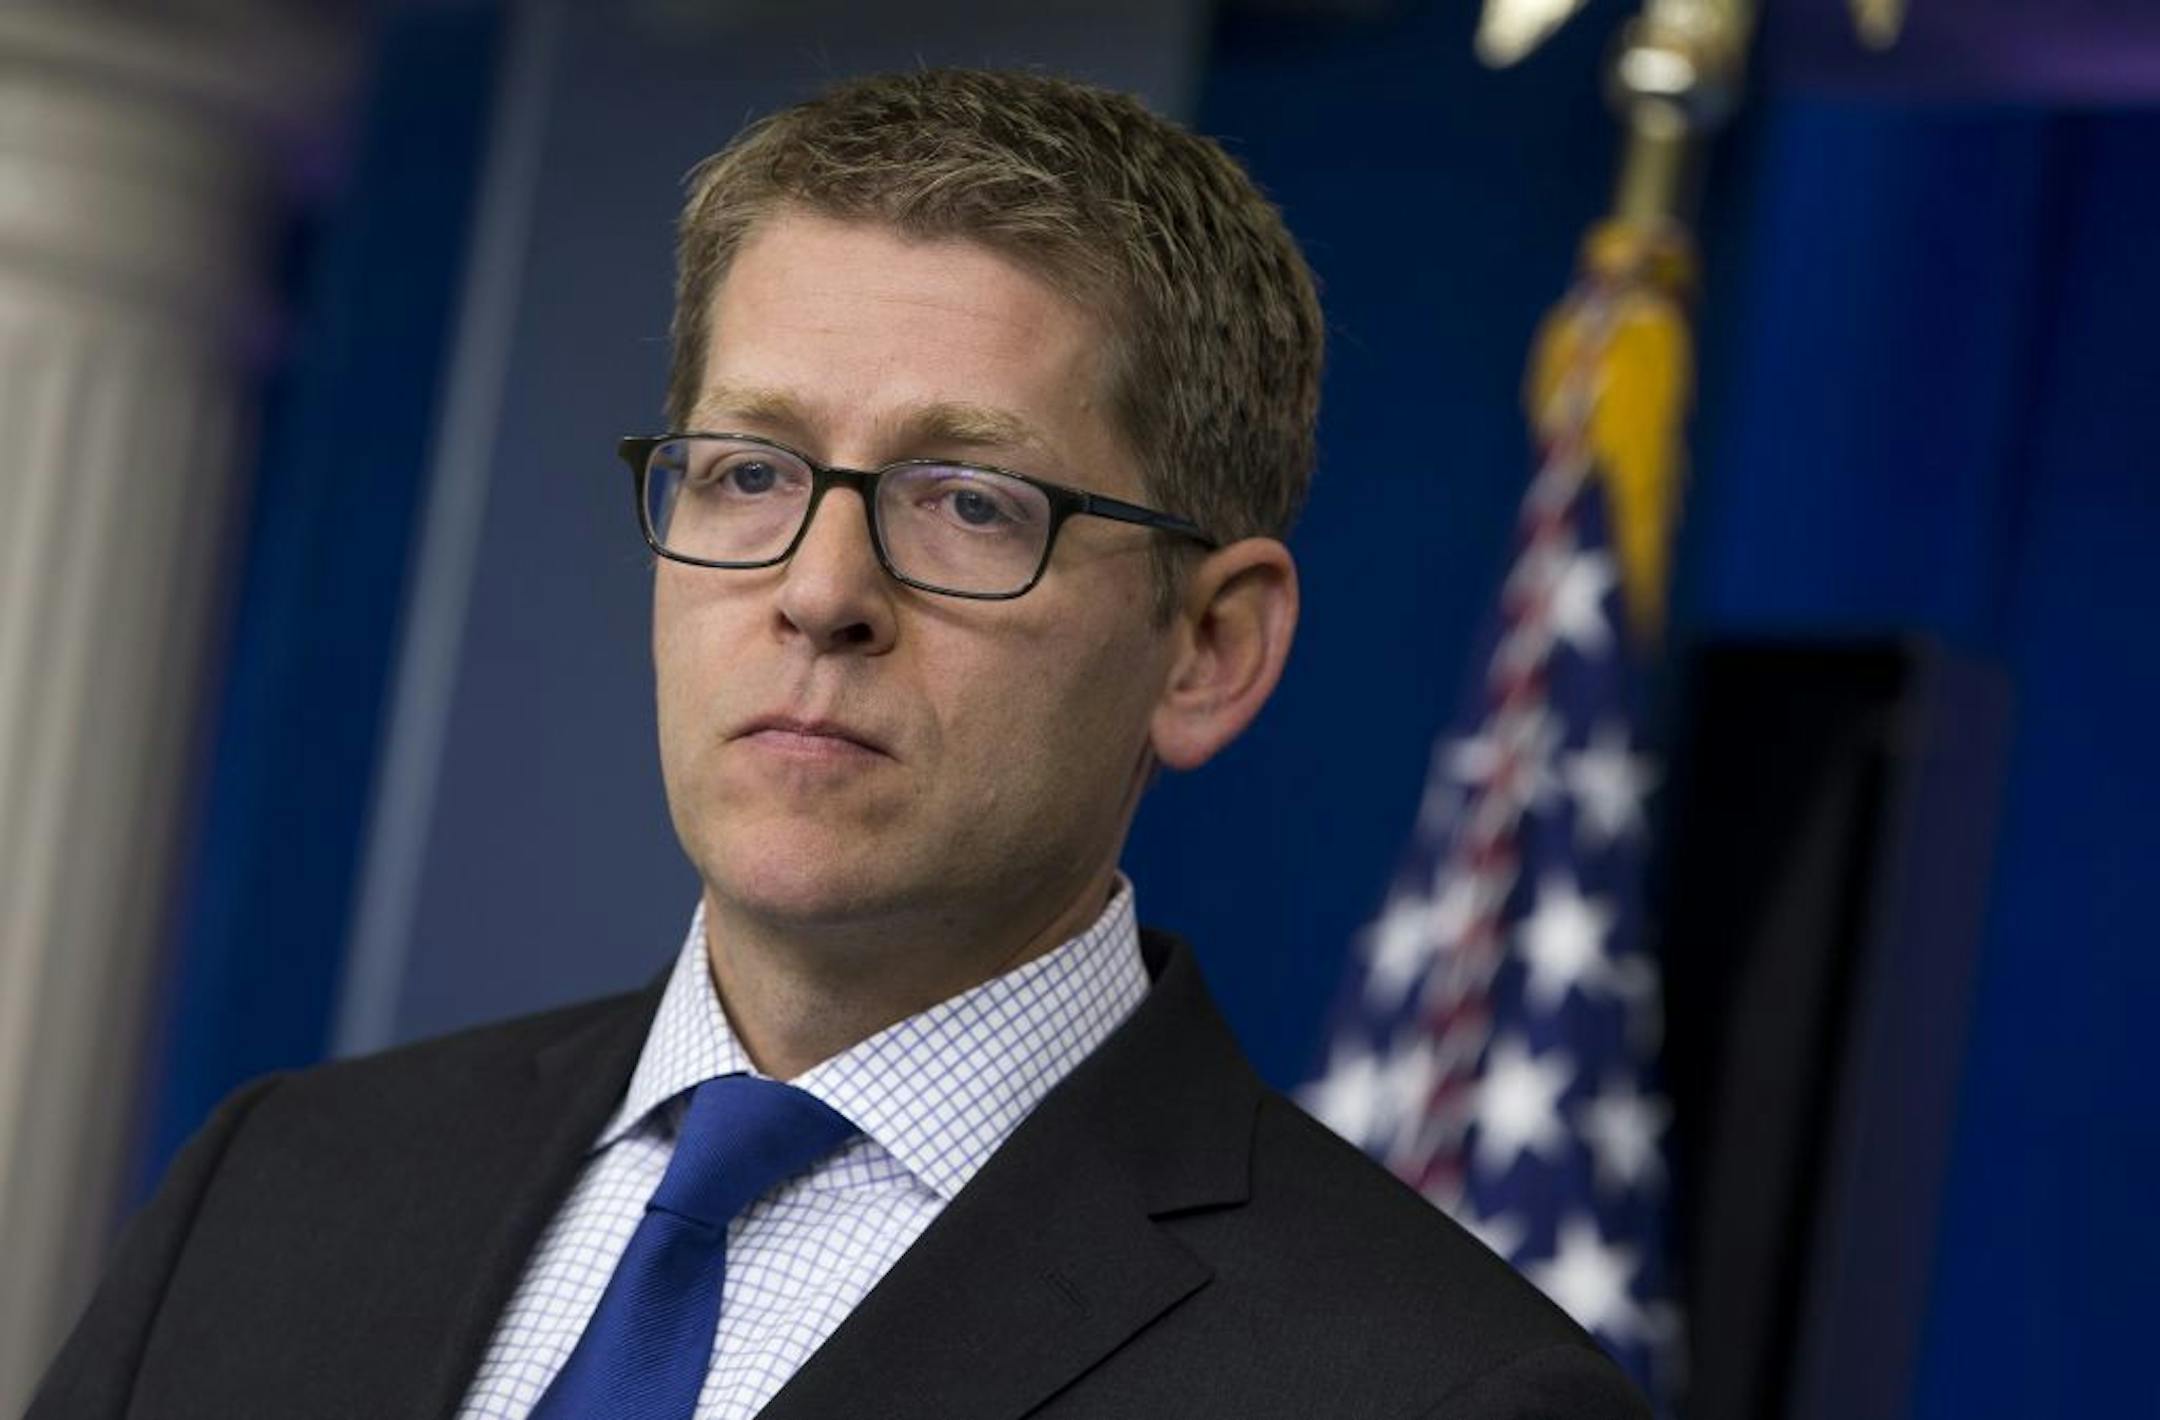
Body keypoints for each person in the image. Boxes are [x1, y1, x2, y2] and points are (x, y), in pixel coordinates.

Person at [30, 68, 1649, 1419]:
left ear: (1209, 650)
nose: (819, 592)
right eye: (749, 471)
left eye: (967, 500)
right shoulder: (280, 1187)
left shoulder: (1435, 1397)